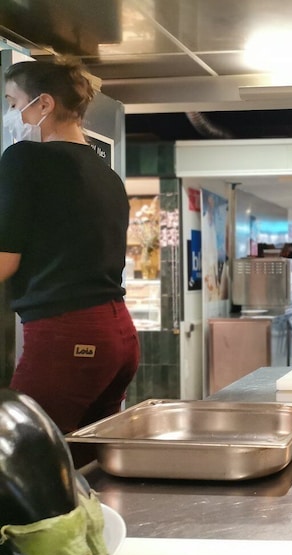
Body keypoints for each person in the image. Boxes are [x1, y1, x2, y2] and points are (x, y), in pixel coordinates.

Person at [0, 59, 140, 464]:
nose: (11, 115)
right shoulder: (105, 173)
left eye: (13, 103)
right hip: (117, 338)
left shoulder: (24, 158)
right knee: (84, 465)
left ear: (43, 104)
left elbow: (5, 262)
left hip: (68, 338)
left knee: (23, 459)